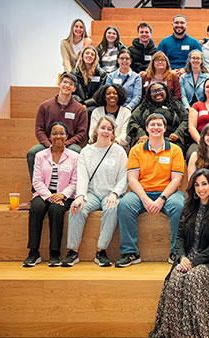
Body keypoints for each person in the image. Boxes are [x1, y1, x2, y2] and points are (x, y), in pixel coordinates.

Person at [149, 169, 209, 338]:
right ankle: (176, 333)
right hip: (186, 259)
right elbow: (178, 237)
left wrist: (193, 262)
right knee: (176, 279)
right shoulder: (187, 207)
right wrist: (182, 257)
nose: (201, 188)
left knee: (193, 278)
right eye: (197, 185)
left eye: (204, 184)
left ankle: (198, 333)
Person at [116, 113, 185, 267]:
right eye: (152, 125)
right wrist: (145, 199)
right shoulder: (136, 150)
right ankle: (130, 252)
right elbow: (132, 179)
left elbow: (176, 180)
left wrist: (161, 199)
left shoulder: (175, 150)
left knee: (179, 206)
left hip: (168, 193)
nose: (156, 127)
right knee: (125, 205)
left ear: (165, 128)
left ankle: (176, 252)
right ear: (146, 128)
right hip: (141, 193)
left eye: (159, 124)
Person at [62, 117, 128, 267]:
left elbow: (124, 177)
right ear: (97, 129)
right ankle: (73, 251)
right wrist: (80, 196)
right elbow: (82, 176)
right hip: (91, 194)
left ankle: (101, 251)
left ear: (113, 133)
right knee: (76, 207)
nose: (106, 131)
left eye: (109, 129)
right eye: (103, 128)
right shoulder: (86, 151)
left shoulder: (119, 152)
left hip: (109, 193)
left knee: (112, 208)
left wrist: (115, 194)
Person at [23, 122, 79, 267]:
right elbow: (36, 180)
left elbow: (75, 182)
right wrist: (49, 196)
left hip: (64, 195)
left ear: (67, 136)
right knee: (36, 208)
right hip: (43, 194)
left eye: (61, 133)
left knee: (56, 210)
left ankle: (54, 253)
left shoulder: (74, 157)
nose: (58, 136)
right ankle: (33, 252)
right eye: (54, 133)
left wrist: (61, 195)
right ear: (49, 136)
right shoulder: (40, 156)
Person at [26, 73, 86, 182]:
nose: (67, 86)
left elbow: (81, 133)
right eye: (65, 82)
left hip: (69, 145)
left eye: (71, 84)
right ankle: (36, 189)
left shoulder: (80, 109)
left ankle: (73, 189)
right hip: (48, 144)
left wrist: (65, 144)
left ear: (74, 89)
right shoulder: (44, 106)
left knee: (77, 151)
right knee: (33, 152)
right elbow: (39, 129)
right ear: (59, 84)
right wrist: (50, 145)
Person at [128, 82, 188, 150]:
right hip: (147, 139)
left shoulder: (176, 105)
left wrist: (177, 133)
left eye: (160, 90)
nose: (157, 93)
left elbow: (186, 119)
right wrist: (141, 134)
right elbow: (132, 121)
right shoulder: (143, 107)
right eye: (153, 91)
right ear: (149, 94)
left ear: (166, 91)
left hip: (171, 140)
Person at [70, 46, 107, 120]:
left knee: (88, 112)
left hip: (94, 104)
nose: (89, 56)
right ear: (82, 56)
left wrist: (85, 104)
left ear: (95, 58)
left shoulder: (101, 74)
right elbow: (72, 92)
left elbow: (100, 94)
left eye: (92, 54)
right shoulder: (74, 73)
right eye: (87, 53)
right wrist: (80, 103)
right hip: (77, 103)